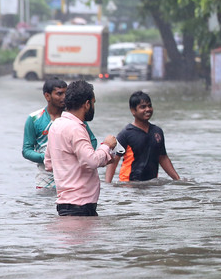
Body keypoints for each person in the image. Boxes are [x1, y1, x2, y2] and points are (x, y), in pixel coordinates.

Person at [43, 80, 118, 216]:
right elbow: (92, 161)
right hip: (81, 206)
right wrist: (106, 146)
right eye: (93, 103)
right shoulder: (76, 128)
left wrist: (104, 158)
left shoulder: (56, 125)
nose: (93, 107)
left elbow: (49, 164)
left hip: (64, 205)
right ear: (87, 104)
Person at [22, 78, 98, 189]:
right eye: (59, 94)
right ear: (47, 96)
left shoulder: (75, 116)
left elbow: (92, 141)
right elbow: (26, 150)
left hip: (72, 177)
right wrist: (45, 157)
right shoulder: (34, 119)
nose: (64, 97)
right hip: (46, 179)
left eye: (66, 93)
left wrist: (82, 156)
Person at [105, 91, 181, 183]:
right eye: (143, 107)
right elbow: (114, 160)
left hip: (152, 184)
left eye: (149, 106)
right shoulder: (125, 134)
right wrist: (108, 184)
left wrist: (178, 180)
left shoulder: (157, 132)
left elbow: (163, 158)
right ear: (133, 111)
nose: (148, 109)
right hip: (129, 185)